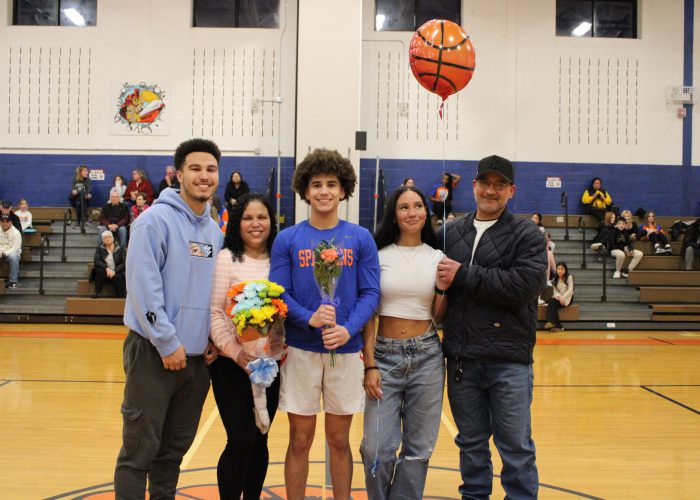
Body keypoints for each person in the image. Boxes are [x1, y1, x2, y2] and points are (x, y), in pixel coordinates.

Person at [114, 138, 223, 499]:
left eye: (210, 169)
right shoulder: (153, 222)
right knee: (138, 454)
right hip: (153, 353)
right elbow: (143, 289)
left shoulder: (215, 232)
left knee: (171, 456)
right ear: (179, 175)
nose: (203, 176)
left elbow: (212, 293)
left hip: (195, 363)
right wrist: (166, 342)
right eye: (195, 168)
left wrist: (210, 338)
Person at [269, 148, 380, 500]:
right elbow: (279, 292)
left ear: (343, 190)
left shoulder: (360, 238)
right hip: (301, 349)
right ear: (305, 191)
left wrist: (348, 328)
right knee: (299, 439)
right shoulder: (287, 238)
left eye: (331, 184)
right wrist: (309, 317)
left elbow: (371, 293)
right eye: (316, 184)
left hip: (345, 352)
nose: (324, 191)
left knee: (338, 440)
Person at [436, 154, 546, 499]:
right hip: (462, 361)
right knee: (470, 445)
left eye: (500, 185)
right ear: (474, 186)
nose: (491, 190)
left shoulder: (527, 233)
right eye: (485, 183)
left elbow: (524, 286)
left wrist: (463, 275)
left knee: (515, 449)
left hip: (508, 361)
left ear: (511, 191)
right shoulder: (449, 232)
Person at [359, 185, 449, 500]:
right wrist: (369, 363)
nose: (412, 212)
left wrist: (441, 290)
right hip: (383, 356)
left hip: (427, 354)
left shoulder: (438, 257)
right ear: (394, 216)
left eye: (418, 206)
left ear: (427, 212)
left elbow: (438, 317)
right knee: (376, 448)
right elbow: (369, 315)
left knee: (418, 448)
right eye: (404, 207)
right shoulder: (377, 255)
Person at [209, 192, 284, 499]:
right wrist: (237, 354)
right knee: (240, 439)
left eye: (262, 217)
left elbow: (286, 309)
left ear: (271, 222)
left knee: (260, 438)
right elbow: (214, 311)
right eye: (248, 218)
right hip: (232, 366)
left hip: (272, 366)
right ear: (237, 224)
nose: (255, 224)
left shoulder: (281, 260)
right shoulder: (227, 258)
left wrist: (280, 345)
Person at [92, 231, 126, 298]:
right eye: (105, 238)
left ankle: (120, 295)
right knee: (99, 270)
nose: (107, 239)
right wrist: (106, 268)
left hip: (117, 271)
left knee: (118, 277)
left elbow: (124, 262)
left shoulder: (120, 248)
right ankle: (97, 293)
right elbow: (96, 261)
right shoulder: (100, 248)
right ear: (103, 240)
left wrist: (115, 271)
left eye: (109, 237)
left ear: (113, 238)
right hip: (105, 272)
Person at [543, 262, 574, 332]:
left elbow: (570, 290)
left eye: (562, 269)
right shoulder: (555, 278)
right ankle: (557, 325)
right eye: (558, 269)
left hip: (568, 298)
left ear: (565, 270)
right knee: (551, 301)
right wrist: (559, 297)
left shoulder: (569, 277)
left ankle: (553, 323)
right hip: (560, 298)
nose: (560, 271)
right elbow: (555, 291)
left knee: (551, 303)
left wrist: (563, 298)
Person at [0, 214, 22, 289]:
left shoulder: (16, 233)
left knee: (14, 257)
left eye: (7, 221)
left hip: (10, 254)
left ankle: (13, 282)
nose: (5, 223)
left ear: (11, 222)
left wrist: (4, 253)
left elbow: (15, 248)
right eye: (3, 221)